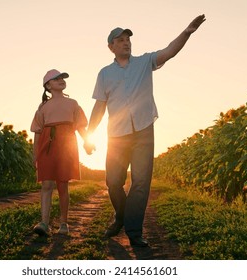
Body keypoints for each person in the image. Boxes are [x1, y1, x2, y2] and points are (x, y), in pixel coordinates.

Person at [86, 14, 206, 247]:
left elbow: (170, 51)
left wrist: (187, 32)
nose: (126, 42)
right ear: (111, 47)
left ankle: (133, 231)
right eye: (120, 40)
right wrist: (90, 135)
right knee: (113, 182)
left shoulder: (144, 62)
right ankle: (121, 216)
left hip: (143, 131)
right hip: (117, 135)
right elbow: (99, 107)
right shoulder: (104, 74)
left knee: (140, 183)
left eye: (128, 39)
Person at [31, 69, 93, 236]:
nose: (61, 80)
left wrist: (87, 141)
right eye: (56, 79)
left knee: (63, 185)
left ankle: (63, 224)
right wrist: (35, 154)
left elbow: (80, 126)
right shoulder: (43, 106)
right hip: (47, 146)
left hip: (66, 145)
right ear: (48, 85)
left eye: (62, 78)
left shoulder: (72, 103)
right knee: (46, 184)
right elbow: (37, 131)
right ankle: (44, 223)